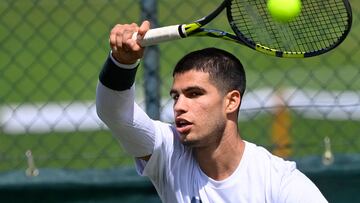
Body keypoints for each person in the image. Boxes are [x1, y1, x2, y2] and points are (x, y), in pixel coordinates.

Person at [96, 21, 328, 203]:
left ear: (231, 101)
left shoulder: (278, 182)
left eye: (194, 94)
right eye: (176, 96)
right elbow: (116, 114)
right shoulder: (168, 153)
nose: (179, 106)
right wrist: (122, 62)